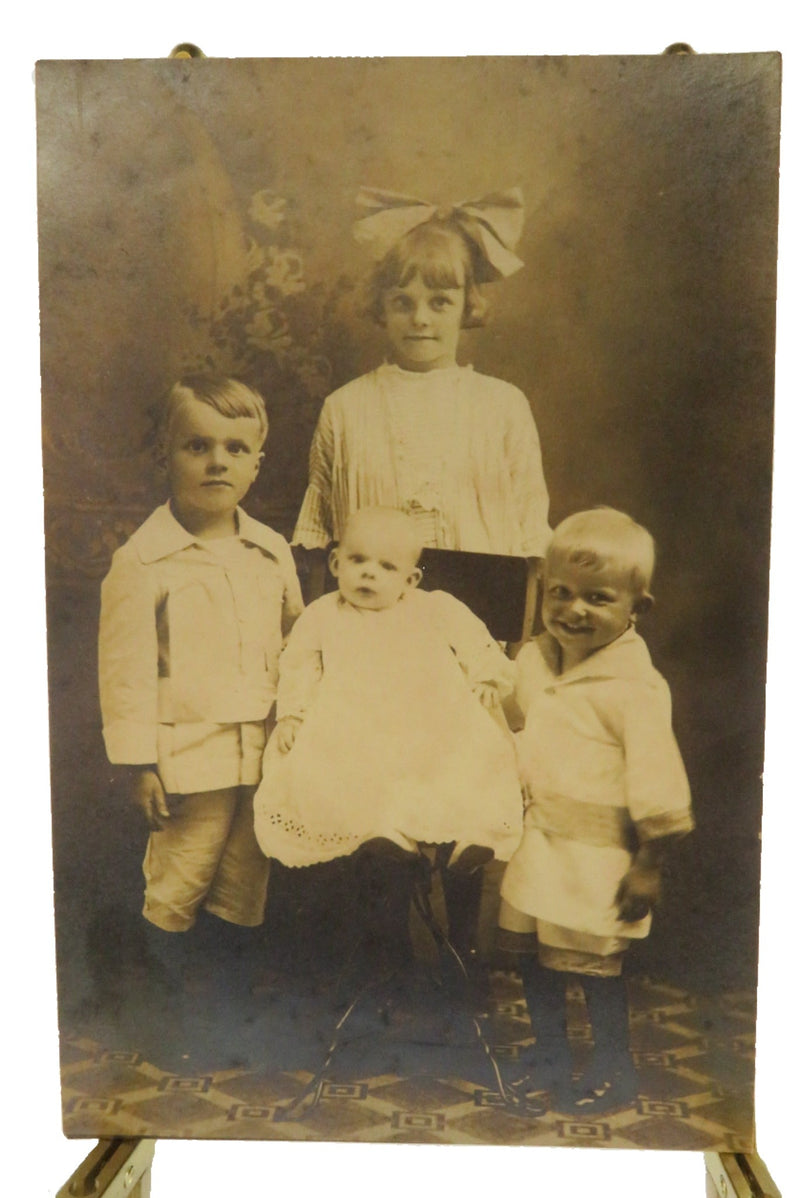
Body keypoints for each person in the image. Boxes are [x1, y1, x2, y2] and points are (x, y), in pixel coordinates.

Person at [292, 187, 550, 966]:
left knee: (461, 785)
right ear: (381, 307)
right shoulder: (346, 408)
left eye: (440, 301)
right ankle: (384, 962)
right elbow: (320, 532)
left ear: (469, 305)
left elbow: (527, 537)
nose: (421, 318)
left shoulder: (502, 407)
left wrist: (514, 652)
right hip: (370, 620)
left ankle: (458, 960)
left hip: (475, 611)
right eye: (403, 301)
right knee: (378, 783)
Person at [98, 375, 304, 1002]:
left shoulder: (270, 551)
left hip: (260, 755)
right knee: (179, 882)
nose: (218, 461)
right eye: (198, 446)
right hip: (188, 759)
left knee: (244, 885)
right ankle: (163, 1012)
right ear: (166, 454)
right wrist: (138, 764)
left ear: (257, 463)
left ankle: (221, 1012)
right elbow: (125, 673)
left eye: (236, 449)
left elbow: (299, 643)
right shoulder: (144, 561)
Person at [254, 507, 523, 979]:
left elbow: (479, 644)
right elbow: (298, 665)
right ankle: (387, 833)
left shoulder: (435, 608)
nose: (369, 574)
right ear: (336, 563)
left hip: (430, 722)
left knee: (467, 755)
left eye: (386, 567)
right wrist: (293, 714)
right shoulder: (322, 614)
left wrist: (486, 678)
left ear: (410, 579)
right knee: (341, 764)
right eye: (357, 560)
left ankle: (470, 838)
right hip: (355, 724)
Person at [498, 508, 694, 1114]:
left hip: (598, 856)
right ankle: (550, 1056)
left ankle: (614, 1067)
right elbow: (511, 720)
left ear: (638, 607)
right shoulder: (536, 661)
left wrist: (648, 864)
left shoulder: (635, 688)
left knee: (594, 967)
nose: (573, 610)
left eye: (598, 598)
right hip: (539, 843)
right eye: (560, 593)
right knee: (534, 959)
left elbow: (659, 779)